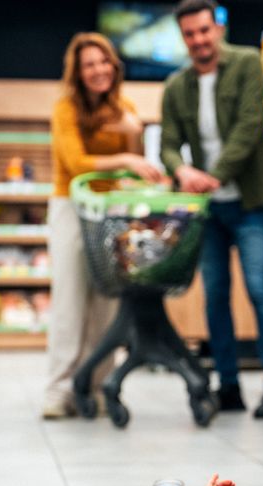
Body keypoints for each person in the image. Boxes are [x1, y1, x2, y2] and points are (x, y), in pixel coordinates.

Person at [160, 0, 263, 418]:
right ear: (183, 37)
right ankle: (229, 386)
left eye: (204, 30)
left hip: (249, 201)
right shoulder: (176, 86)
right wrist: (182, 171)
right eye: (189, 34)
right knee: (214, 296)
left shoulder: (247, 62)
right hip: (208, 213)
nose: (198, 40)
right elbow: (166, 142)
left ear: (217, 28)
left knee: (259, 290)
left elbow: (250, 126)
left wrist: (213, 174)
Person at [44, 33, 164, 419]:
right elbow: (76, 163)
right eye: (89, 65)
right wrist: (125, 159)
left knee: (107, 307)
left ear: (114, 66)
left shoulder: (124, 108)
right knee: (69, 301)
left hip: (110, 213)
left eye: (104, 62)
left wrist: (138, 173)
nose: (98, 70)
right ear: (78, 73)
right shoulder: (66, 109)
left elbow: (137, 159)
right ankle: (59, 390)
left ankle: (95, 387)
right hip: (71, 207)